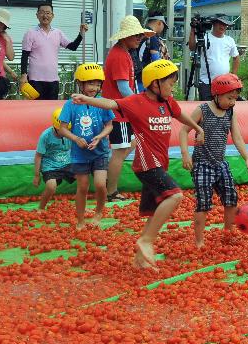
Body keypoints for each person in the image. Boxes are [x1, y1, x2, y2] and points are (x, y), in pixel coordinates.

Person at [72, 60, 205, 269]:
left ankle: (139, 261)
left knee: (153, 212)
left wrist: (198, 127)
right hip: (146, 164)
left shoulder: (168, 102)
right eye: (170, 83)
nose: (173, 88)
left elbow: (180, 115)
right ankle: (146, 241)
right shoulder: (136, 102)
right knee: (176, 195)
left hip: (160, 164)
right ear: (154, 84)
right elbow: (112, 104)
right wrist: (87, 99)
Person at [180, 73, 248, 248]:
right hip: (202, 164)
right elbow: (183, 131)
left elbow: (237, 137)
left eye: (235, 99)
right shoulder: (203, 109)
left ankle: (228, 232)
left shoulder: (230, 112)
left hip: (220, 162)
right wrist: (185, 154)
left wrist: (247, 157)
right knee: (204, 203)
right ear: (217, 94)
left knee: (231, 197)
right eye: (229, 98)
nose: (232, 102)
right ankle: (199, 240)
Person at [57, 63, 115, 230]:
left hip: (100, 151)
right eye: (90, 83)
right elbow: (62, 128)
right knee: (82, 186)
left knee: (99, 184)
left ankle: (99, 212)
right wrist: (76, 139)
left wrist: (100, 137)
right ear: (80, 84)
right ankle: (80, 220)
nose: (94, 88)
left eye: (97, 84)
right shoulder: (71, 104)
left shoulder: (102, 103)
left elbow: (109, 125)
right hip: (79, 153)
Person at [103, 15, 153, 202]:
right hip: (119, 111)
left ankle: (109, 183)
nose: (139, 38)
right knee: (121, 150)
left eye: (140, 35)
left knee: (129, 144)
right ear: (125, 37)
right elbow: (123, 88)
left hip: (120, 110)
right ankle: (111, 191)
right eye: (136, 35)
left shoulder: (122, 53)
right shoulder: (119, 56)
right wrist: (140, 104)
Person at [20, 3, 89, 100]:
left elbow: (73, 47)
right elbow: (24, 56)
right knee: (35, 110)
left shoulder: (58, 33)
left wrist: (81, 34)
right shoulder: (30, 33)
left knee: (50, 109)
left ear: (53, 15)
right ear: (37, 15)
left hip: (53, 80)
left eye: (48, 13)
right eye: (42, 13)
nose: (45, 16)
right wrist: (23, 76)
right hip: (35, 79)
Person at [188, 13, 239, 101]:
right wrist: (193, 30)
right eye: (220, 23)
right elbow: (192, 47)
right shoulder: (204, 37)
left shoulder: (229, 40)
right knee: (207, 108)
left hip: (224, 83)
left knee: (223, 108)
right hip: (206, 82)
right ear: (214, 24)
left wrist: (233, 75)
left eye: (225, 24)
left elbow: (236, 58)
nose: (223, 26)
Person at [33, 108, 75, 210]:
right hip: (50, 165)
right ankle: (41, 207)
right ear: (56, 127)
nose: (66, 132)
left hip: (67, 163)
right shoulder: (46, 136)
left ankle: (82, 205)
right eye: (63, 129)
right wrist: (37, 175)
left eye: (67, 129)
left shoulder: (72, 132)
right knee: (51, 186)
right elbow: (38, 156)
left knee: (84, 180)